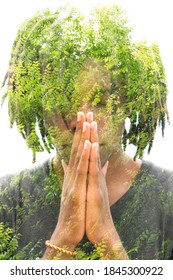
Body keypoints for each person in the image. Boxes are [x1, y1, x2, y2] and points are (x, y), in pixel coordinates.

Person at [0, 4, 173, 260]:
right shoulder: (8, 202)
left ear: (128, 103)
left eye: (101, 102)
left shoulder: (167, 198)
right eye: (63, 102)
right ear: (38, 108)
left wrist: (105, 236)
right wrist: (64, 238)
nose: (82, 121)